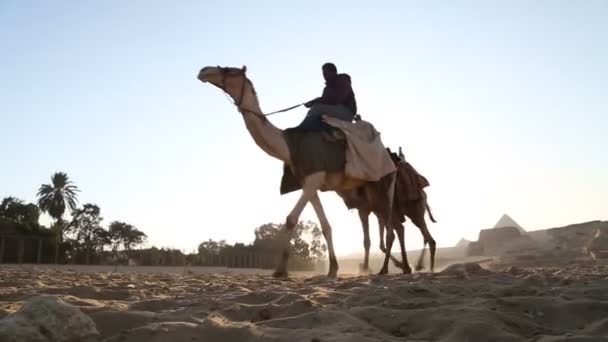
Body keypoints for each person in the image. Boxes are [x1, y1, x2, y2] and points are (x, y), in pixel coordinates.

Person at [296, 63, 358, 130]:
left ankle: (301, 130)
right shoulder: (327, 88)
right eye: (323, 74)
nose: (324, 76)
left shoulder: (342, 81)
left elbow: (336, 99)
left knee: (316, 108)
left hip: (347, 112)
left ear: (333, 72)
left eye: (326, 73)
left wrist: (314, 102)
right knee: (316, 112)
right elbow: (325, 101)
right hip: (336, 110)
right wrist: (313, 102)